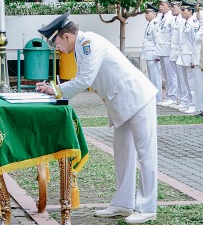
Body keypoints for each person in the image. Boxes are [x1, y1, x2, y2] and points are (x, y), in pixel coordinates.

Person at [36, 13, 158, 224]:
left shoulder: (88, 42)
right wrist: (54, 88)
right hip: (121, 104)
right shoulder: (80, 46)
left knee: (146, 155)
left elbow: (84, 79)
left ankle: (147, 207)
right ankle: (123, 203)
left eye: (55, 41)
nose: (55, 47)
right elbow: (82, 78)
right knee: (122, 154)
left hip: (137, 98)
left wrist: (55, 90)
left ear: (66, 36)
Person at [156, 0, 178, 106]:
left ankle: (173, 96)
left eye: (162, 5)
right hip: (162, 50)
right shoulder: (162, 17)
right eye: (159, 5)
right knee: (166, 74)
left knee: (171, 74)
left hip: (169, 50)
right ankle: (169, 95)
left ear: (169, 6)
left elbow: (174, 35)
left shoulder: (171, 18)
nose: (160, 6)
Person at [141, 4, 163, 104]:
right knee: (152, 77)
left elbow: (157, 40)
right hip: (149, 55)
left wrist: (157, 55)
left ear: (154, 14)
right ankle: (154, 97)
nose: (145, 15)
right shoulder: (151, 23)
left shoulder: (155, 24)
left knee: (156, 77)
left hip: (153, 55)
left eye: (147, 13)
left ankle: (158, 98)